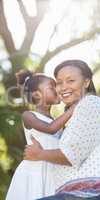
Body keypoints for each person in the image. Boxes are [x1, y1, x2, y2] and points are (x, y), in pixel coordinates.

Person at [24, 60, 100, 200]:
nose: (62, 87)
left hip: (96, 192)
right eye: (59, 83)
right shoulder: (74, 115)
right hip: (80, 194)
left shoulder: (90, 103)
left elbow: (71, 154)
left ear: (86, 82)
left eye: (70, 80)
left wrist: (39, 154)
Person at [6, 70, 75, 200]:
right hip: (36, 171)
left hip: (53, 171)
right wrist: (73, 109)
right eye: (51, 87)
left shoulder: (56, 121)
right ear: (37, 95)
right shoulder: (29, 115)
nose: (57, 89)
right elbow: (50, 128)